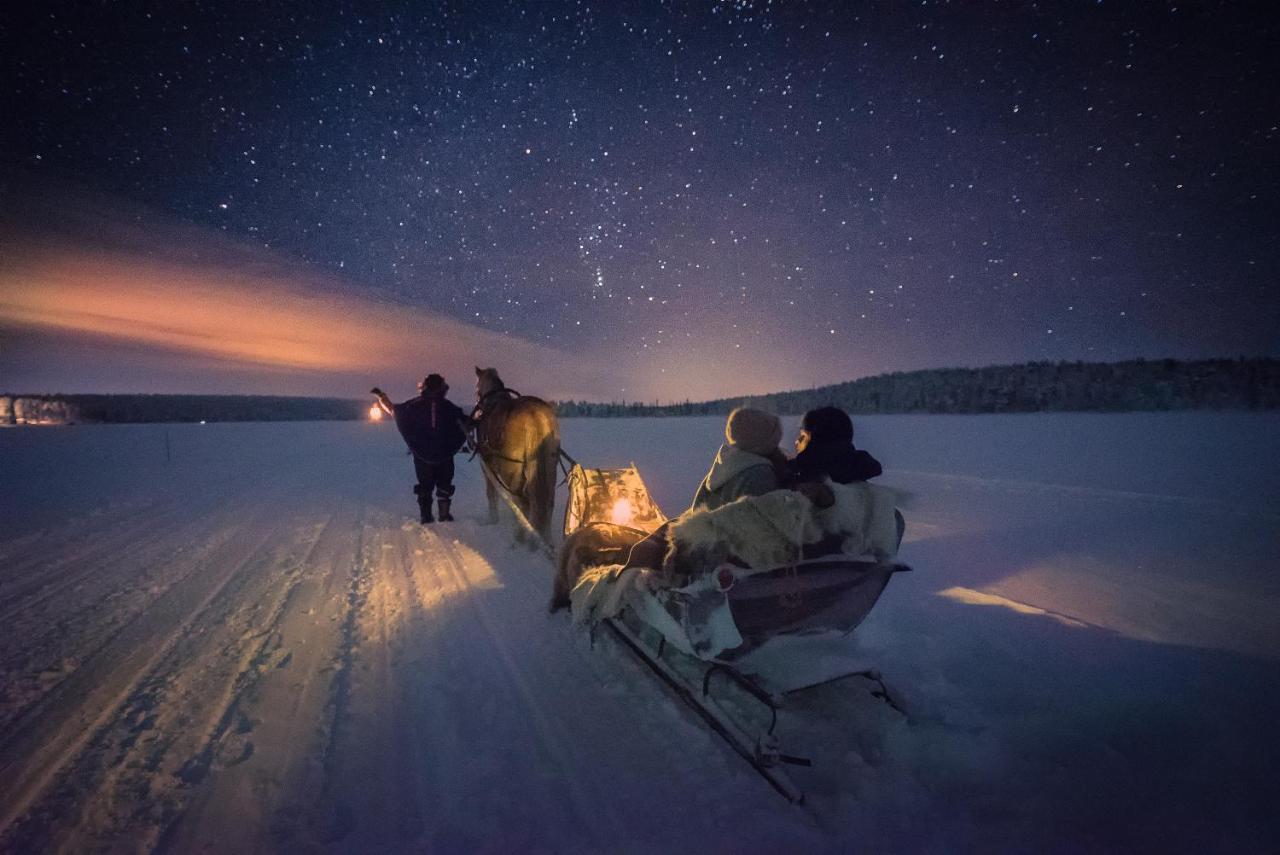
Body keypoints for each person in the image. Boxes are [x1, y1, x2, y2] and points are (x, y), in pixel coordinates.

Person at [372, 374, 468, 523]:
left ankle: (426, 516)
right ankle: (443, 516)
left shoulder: (414, 405)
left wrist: (382, 397)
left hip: (422, 455)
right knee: (444, 485)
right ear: (442, 388)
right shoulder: (450, 408)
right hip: (445, 454)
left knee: (425, 486)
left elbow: (394, 410)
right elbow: (465, 424)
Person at [690, 407, 789, 511]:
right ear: (767, 442)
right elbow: (764, 523)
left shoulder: (720, 471)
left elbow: (695, 514)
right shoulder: (760, 476)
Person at [788, 406, 882, 484]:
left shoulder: (812, 484)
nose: (798, 441)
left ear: (818, 440)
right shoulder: (857, 471)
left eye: (804, 435)